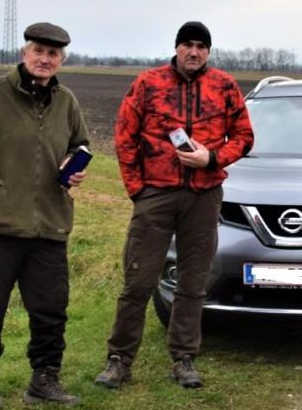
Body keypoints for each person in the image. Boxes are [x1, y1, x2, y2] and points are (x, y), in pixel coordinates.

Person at [95, 21, 254, 390]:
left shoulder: (225, 86)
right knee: (139, 280)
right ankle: (119, 359)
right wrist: (139, 190)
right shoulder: (148, 83)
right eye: (187, 45)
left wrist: (212, 158)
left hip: (203, 196)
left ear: (208, 52)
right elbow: (124, 137)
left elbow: (244, 137)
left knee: (193, 282)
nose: (194, 52)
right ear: (177, 47)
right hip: (157, 195)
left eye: (201, 46)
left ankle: (184, 358)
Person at [0, 22, 88, 408]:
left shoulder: (67, 101)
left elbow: (81, 143)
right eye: (39, 51)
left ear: (61, 60)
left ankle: (44, 379)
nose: (45, 59)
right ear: (24, 53)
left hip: (50, 224)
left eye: (53, 54)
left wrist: (76, 164)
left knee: (51, 311)